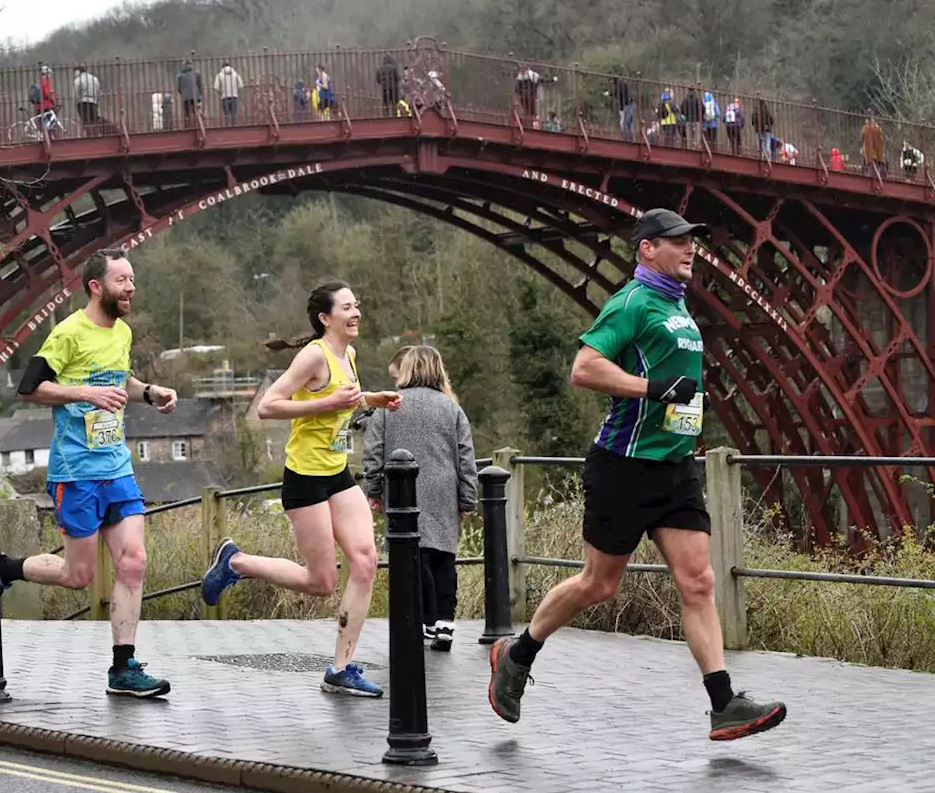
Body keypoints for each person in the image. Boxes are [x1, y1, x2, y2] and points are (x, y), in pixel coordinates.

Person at [487, 209, 787, 742]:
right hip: (623, 466)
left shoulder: (677, 305)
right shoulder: (631, 302)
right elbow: (585, 367)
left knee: (699, 581)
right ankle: (518, 652)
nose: (691, 249)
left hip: (674, 466)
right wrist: (653, 390)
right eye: (678, 242)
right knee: (599, 584)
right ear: (647, 249)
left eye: (693, 241)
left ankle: (724, 703)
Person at [199, 282, 402, 696]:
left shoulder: (350, 354)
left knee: (365, 561)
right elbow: (268, 406)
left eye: (357, 305)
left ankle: (341, 668)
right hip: (305, 477)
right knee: (320, 581)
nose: (356, 312)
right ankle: (236, 563)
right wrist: (327, 405)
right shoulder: (314, 355)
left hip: (337, 472)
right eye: (347, 307)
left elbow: (342, 399)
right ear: (326, 318)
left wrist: (371, 399)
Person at [0, 249, 179, 698]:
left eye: (133, 279)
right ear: (96, 286)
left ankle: (123, 668)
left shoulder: (122, 332)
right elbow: (30, 388)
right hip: (75, 471)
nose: (131, 288)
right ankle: (5, 568)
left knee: (133, 562)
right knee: (78, 576)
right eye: (122, 280)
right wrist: (85, 393)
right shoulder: (67, 333)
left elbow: (122, 381)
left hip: (116, 466)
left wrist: (150, 392)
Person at [362, 346, 476, 651]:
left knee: (415, 554)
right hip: (443, 488)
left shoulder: (388, 406)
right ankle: (445, 622)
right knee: (444, 556)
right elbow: (465, 456)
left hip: (402, 490)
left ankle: (425, 620)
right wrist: (467, 498)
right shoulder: (452, 408)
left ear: (408, 369)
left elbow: (373, 450)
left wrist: (373, 489)